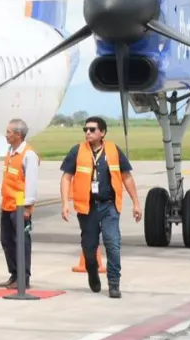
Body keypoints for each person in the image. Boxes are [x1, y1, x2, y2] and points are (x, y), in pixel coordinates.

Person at [59, 116, 141, 299]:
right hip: (87, 208)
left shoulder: (113, 150)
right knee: (89, 248)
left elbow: (126, 177)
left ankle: (114, 284)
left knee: (113, 244)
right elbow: (66, 178)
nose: (88, 132)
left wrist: (136, 203)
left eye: (92, 129)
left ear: (102, 132)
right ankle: (92, 271)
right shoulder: (77, 151)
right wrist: (65, 203)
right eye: (85, 129)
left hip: (109, 206)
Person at [0, 118, 40, 289]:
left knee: (21, 242)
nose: (6, 135)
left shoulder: (28, 155)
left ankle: (24, 277)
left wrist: (27, 208)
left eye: (8, 132)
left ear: (18, 134)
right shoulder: (10, 152)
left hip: (20, 207)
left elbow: (31, 183)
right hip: (7, 205)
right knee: (7, 241)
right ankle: (14, 273)